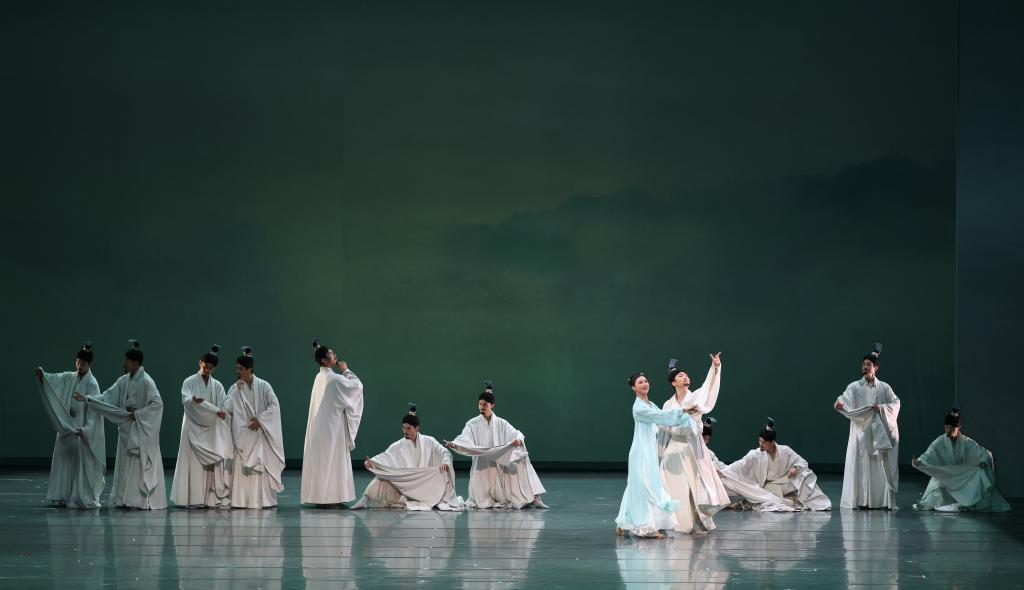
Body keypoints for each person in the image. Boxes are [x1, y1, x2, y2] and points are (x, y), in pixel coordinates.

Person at [76, 339, 166, 509]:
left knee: (137, 463)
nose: (124, 363)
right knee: (125, 463)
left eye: (127, 361)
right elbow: (107, 396)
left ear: (136, 363)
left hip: (140, 427)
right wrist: (87, 399)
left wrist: (138, 414)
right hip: (127, 427)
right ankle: (123, 498)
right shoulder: (123, 380)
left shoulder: (147, 381)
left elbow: (157, 404)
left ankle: (138, 500)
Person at [444, 381, 547, 509]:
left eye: (485, 404)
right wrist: (455, 444)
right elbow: (464, 438)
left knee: (522, 457)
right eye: (480, 404)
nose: (481, 407)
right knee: (481, 496)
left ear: (492, 405)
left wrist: (519, 440)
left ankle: (534, 496)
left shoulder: (501, 423)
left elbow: (517, 433)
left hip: (497, 460)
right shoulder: (472, 423)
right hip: (482, 461)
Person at [660, 353, 730, 534]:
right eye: (680, 376)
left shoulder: (696, 397)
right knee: (676, 486)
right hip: (675, 447)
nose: (685, 377)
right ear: (673, 383)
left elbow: (709, 387)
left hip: (692, 446)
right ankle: (679, 521)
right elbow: (664, 425)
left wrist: (715, 368)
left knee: (696, 486)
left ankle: (698, 520)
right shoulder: (668, 404)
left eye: (686, 375)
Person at [615, 372, 691, 538]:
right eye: (640, 382)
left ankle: (623, 521)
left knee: (637, 485)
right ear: (634, 388)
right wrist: (682, 411)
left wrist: (683, 412)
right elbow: (661, 416)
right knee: (646, 484)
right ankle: (648, 527)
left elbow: (662, 416)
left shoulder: (650, 404)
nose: (644, 384)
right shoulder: (639, 407)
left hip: (648, 449)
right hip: (641, 451)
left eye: (646, 381)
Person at [34, 341, 106, 508]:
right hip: (66, 427)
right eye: (77, 362)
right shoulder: (70, 377)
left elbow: (94, 409)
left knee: (79, 462)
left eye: (82, 363)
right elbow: (56, 379)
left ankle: (79, 496)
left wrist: (86, 429)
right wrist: (43, 375)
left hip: (80, 429)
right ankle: (61, 495)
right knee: (63, 460)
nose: (79, 366)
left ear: (89, 364)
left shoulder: (92, 383)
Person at [353, 405, 463, 510]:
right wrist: (372, 462)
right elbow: (386, 456)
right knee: (381, 477)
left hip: (425, 482)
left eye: (409, 428)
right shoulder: (399, 445)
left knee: (440, 473)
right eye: (404, 428)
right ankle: (364, 499)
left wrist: (445, 462)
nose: (405, 431)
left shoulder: (429, 441)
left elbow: (445, 452)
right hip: (407, 483)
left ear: (417, 428)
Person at [834, 343, 900, 509]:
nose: (865, 367)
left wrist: (882, 408)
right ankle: (862, 501)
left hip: (879, 433)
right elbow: (845, 397)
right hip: (861, 431)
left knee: (879, 465)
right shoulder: (855, 386)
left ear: (876, 367)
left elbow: (896, 403)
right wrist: (840, 403)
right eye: (863, 364)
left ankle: (881, 501)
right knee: (862, 463)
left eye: (868, 364)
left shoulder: (884, 387)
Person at [300, 340, 364, 506]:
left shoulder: (320, 377)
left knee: (324, 464)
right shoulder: (334, 379)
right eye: (330, 354)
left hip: (321, 429)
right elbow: (357, 387)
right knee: (331, 463)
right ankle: (329, 499)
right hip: (331, 430)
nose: (334, 355)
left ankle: (324, 498)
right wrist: (346, 370)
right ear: (323, 360)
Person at [911, 408, 1011, 512]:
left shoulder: (966, 442)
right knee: (933, 500)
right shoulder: (940, 441)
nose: (948, 431)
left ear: (958, 427)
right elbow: (929, 453)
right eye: (946, 427)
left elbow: (983, 453)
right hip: (945, 479)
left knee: (979, 493)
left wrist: (983, 462)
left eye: (951, 428)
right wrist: (920, 461)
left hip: (961, 478)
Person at [720, 419, 831, 511]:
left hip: (784, 482)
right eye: (759, 441)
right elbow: (739, 464)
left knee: (805, 475)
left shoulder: (785, 451)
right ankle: (789, 500)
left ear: (772, 442)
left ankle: (800, 500)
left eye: (764, 442)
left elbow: (802, 462)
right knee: (768, 498)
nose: (760, 444)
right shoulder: (755, 454)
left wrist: (795, 467)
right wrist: (723, 473)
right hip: (768, 486)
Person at [170, 345, 232, 508]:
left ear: (214, 368)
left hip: (210, 428)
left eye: (211, 368)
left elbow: (223, 404)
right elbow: (185, 399)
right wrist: (193, 400)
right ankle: (191, 498)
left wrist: (220, 412)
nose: (207, 370)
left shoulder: (217, 385)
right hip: (192, 425)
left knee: (209, 464)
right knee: (191, 461)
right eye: (205, 366)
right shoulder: (189, 381)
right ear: (200, 363)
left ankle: (208, 497)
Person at [224, 346, 285, 509]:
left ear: (249, 369)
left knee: (260, 465)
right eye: (237, 368)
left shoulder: (264, 386)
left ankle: (263, 501)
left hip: (259, 434)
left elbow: (274, 405)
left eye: (240, 369)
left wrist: (261, 420)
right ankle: (240, 500)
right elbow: (227, 407)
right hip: (243, 435)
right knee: (241, 465)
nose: (237, 371)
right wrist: (236, 392)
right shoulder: (235, 387)